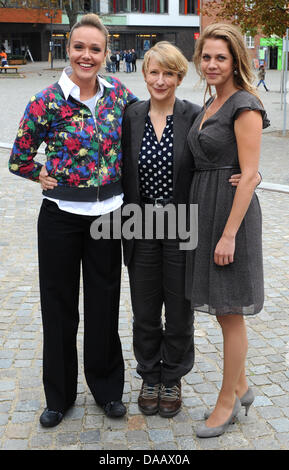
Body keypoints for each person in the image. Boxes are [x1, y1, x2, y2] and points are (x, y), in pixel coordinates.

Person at [8, 13, 137, 428]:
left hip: (108, 216)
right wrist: (36, 173)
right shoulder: (46, 100)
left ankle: (106, 390)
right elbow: (19, 157)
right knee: (59, 307)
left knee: (104, 305)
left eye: (95, 49)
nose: (86, 55)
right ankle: (59, 396)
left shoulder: (119, 94)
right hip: (60, 217)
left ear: (106, 53)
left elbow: (153, 123)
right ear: (68, 48)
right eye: (79, 47)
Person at [121, 41, 242, 418]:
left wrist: (245, 174)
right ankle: (149, 375)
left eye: (169, 73)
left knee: (178, 308)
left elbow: (221, 150)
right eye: (154, 72)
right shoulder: (131, 115)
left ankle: (172, 376)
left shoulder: (194, 115)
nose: (161, 80)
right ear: (144, 74)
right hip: (139, 224)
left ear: (179, 76)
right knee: (143, 308)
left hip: (181, 225)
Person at [185, 24, 270, 438]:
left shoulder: (244, 105)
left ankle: (227, 401)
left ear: (236, 59)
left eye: (221, 57)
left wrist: (229, 234)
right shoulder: (210, 103)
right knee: (222, 309)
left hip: (229, 218)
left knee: (231, 311)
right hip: (205, 209)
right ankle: (243, 386)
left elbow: (250, 173)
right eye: (206, 56)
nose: (212, 64)